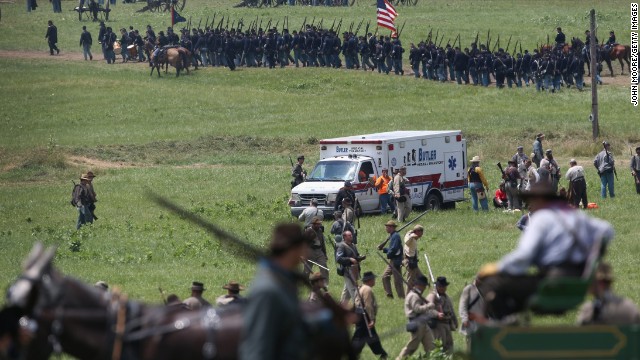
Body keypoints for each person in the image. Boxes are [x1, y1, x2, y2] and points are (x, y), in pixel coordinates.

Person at [477, 181, 614, 320]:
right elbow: (607, 230)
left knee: (492, 284)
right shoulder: (578, 216)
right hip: (578, 283)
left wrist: (498, 267)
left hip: (552, 285)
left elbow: (524, 256)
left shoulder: (541, 218)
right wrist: (596, 254)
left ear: (540, 199)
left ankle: (502, 331)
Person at [239, 223, 311, 360]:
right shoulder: (267, 291)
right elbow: (257, 352)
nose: (307, 251)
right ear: (295, 249)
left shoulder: (283, 282)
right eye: (304, 246)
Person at [396, 275, 436, 359]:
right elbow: (417, 309)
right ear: (419, 285)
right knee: (412, 347)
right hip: (417, 323)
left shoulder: (416, 294)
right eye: (424, 285)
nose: (425, 288)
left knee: (431, 346)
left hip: (423, 323)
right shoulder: (414, 296)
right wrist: (429, 306)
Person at [352, 271, 388, 359]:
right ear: (370, 280)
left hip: (360, 315)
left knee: (369, 336)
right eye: (373, 279)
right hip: (364, 316)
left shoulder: (361, 288)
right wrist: (372, 319)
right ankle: (352, 354)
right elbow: (368, 305)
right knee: (360, 337)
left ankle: (381, 353)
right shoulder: (367, 289)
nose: (374, 281)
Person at [426, 277, 458, 353]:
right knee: (440, 346)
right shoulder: (432, 296)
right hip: (438, 325)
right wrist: (437, 314)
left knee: (449, 346)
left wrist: (455, 321)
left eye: (443, 286)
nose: (442, 288)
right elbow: (428, 309)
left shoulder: (446, 297)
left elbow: (451, 310)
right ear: (436, 286)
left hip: (447, 324)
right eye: (440, 286)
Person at [380, 220, 405, 299]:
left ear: (391, 227)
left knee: (397, 281)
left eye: (387, 227)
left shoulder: (395, 236)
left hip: (396, 261)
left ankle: (402, 297)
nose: (386, 228)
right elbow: (392, 249)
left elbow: (394, 249)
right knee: (385, 276)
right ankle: (389, 294)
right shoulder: (393, 235)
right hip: (393, 260)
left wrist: (388, 254)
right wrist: (384, 249)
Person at [335, 230, 361, 304]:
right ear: (345, 237)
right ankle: (357, 306)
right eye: (349, 235)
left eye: (351, 235)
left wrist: (359, 258)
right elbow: (338, 259)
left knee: (346, 292)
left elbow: (356, 256)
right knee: (353, 290)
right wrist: (349, 259)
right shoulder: (341, 246)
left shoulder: (353, 245)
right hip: (348, 271)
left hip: (355, 270)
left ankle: (341, 307)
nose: (351, 236)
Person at [459, 276, 485, 344]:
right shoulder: (469, 289)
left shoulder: (484, 290)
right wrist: (464, 318)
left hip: (482, 322)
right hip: (471, 322)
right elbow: (463, 305)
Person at [303, 217, 329, 283]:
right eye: (317, 224)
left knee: (324, 266)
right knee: (307, 269)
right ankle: (304, 283)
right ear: (313, 224)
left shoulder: (320, 231)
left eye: (319, 224)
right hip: (310, 251)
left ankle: (325, 283)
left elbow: (322, 243)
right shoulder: (308, 231)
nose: (318, 225)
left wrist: (325, 254)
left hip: (319, 251)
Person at [403, 225, 425, 292]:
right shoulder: (411, 238)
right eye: (421, 232)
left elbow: (409, 233)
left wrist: (411, 233)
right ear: (417, 231)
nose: (422, 234)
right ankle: (408, 299)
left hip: (413, 261)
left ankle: (417, 294)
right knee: (410, 281)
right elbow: (406, 242)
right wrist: (412, 236)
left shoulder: (410, 234)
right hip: (410, 261)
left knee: (422, 279)